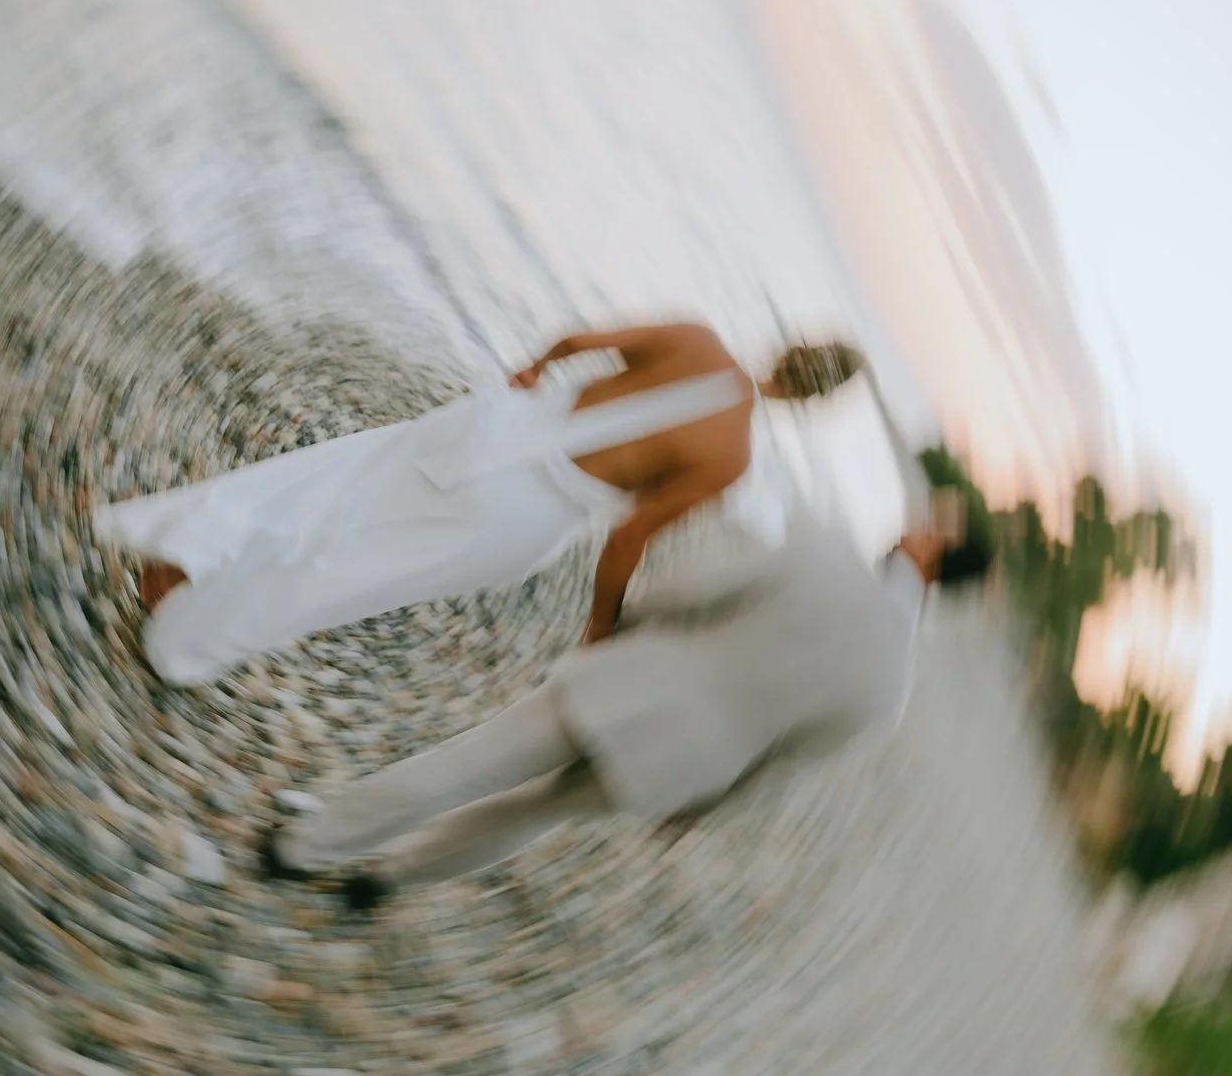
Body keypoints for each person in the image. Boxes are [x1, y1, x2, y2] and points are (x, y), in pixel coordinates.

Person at [262, 495, 995, 908]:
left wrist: (622, 615)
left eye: (933, 524)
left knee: (473, 764)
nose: (916, 523)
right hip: (686, 766)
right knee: (531, 814)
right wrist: (697, 811)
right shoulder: (889, 692)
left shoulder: (825, 552)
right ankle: (389, 877)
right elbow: (780, 768)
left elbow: (690, 592)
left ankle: (309, 843)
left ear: (934, 551)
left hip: (637, 688)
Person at [95, 324, 867, 684]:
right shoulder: (731, 456)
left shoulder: (697, 340)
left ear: (787, 346)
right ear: (811, 402)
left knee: (335, 483)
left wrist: (527, 375)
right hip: (522, 519)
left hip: (496, 434)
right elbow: (628, 535)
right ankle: (186, 637)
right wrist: (600, 623)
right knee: (357, 571)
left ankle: (183, 553)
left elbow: (574, 341)